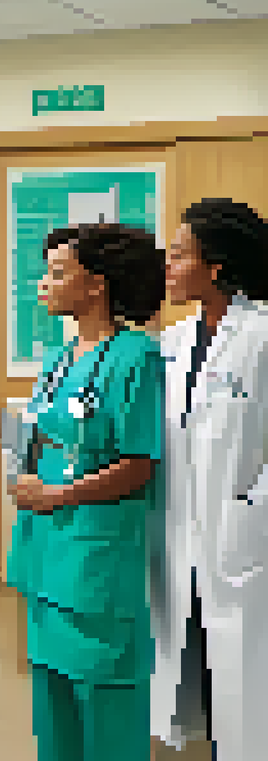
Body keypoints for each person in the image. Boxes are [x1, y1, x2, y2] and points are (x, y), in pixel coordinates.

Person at [5, 222, 165, 761]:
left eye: (56, 273)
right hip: (46, 553)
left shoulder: (136, 357)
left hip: (95, 559)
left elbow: (139, 464)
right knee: (53, 703)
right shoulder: (60, 358)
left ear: (96, 284)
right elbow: (47, 433)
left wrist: (59, 496)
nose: (42, 284)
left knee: (103, 698)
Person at [152, 198, 268, 761]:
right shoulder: (173, 343)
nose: (167, 266)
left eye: (179, 255)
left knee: (248, 688)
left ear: (216, 265)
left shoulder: (262, 336)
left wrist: (252, 509)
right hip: (186, 541)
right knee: (203, 675)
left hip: (244, 540)